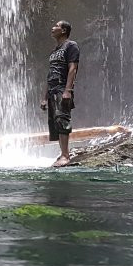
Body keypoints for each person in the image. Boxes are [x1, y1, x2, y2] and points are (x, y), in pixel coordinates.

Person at [41, 20, 80, 167]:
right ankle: (62, 153)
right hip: (52, 90)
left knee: (62, 119)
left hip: (62, 87)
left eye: (56, 26)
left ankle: (65, 156)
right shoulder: (54, 51)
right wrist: (44, 97)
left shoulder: (71, 46)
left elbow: (73, 69)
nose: (53, 28)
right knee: (56, 122)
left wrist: (68, 90)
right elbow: (49, 74)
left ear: (63, 30)